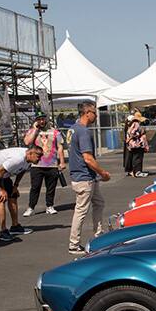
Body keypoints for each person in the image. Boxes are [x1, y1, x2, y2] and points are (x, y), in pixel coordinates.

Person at [68, 102, 110, 255]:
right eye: (94, 112)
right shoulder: (83, 131)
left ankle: (99, 234)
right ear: (87, 113)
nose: (96, 115)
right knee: (81, 210)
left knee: (99, 202)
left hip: (83, 175)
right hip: (84, 176)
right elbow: (88, 158)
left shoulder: (73, 128)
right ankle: (74, 244)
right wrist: (103, 173)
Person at [0, 146, 43, 241]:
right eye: (38, 156)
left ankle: (15, 226)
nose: (40, 159)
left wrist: (15, 186)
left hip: (3, 174)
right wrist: (1, 189)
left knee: (13, 195)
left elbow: (21, 171)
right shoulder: (17, 159)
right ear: (30, 154)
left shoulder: (28, 160)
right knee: (1, 198)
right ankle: (3, 231)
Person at [23, 111, 65, 216]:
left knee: (51, 187)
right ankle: (31, 207)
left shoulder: (54, 132)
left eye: (43, 119)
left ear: (46, 119)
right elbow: (27, 142)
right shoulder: (33, 131)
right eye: (39, 119)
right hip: (37, 165)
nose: (41, 121)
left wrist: (62, 162)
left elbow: (60, 147)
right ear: (36, 120)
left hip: (52, 164)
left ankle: (49, 206)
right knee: (35, 187)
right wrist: (35, 129)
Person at [124, 111, 149, 177]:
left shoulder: (133, 124)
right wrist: (140, 133)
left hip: (135, 144)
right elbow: (133, 133)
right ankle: (138, 172)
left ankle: (136, 171)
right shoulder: (136, 124)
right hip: (137, 144)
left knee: (136, 158)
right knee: (138, 158)